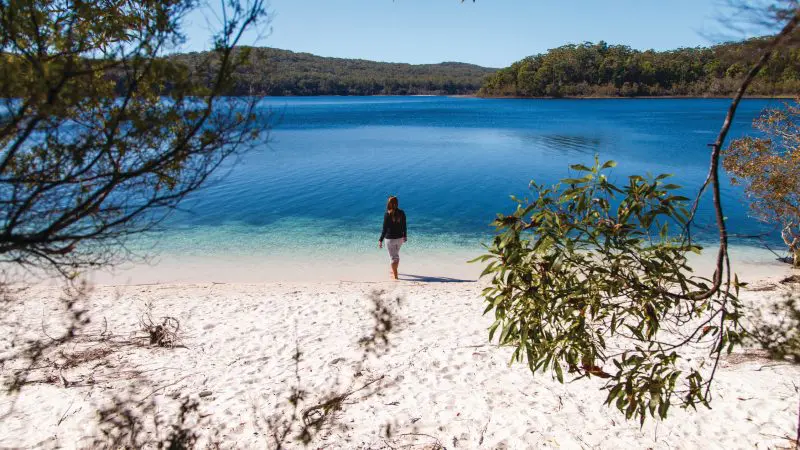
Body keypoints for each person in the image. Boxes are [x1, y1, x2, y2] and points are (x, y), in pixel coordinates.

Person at [378, 196, 407, 280]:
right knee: (396, 256)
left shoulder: (387, 214)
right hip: (400, 239)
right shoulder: (402, 212)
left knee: (393, 258)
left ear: (388, 204)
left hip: (390, 239)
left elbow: (384, 229)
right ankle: (394, 270)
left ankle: (395, 276)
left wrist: (380, 240)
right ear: (397, 203)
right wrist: (405, 235)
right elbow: (404, 225)